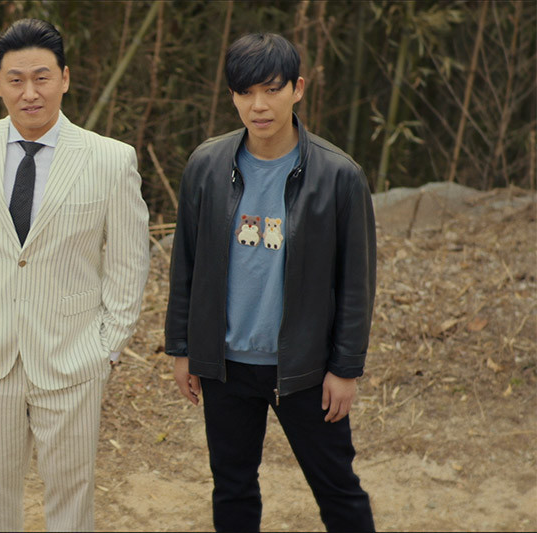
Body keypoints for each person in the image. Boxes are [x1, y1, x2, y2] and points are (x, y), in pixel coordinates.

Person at [0, 18, 150, 532]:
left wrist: (106, 347)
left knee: (72, 505)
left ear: (65, 78)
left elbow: (129, 262)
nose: (30, 93)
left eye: (42, 77)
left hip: (73, 359)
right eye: (16, 79)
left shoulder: (111, 160)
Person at [165, 32, 377, 532]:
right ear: (232, 95)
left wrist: (345, 368)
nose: (258, 105)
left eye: (272, 89)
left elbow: (356, 282)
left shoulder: (338, 175)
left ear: (297, 89)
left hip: (305, 367)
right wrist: (183, 349)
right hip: (226, 366)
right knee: (232, 487)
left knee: (338, 490)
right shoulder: (206, 166)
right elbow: (186, 263)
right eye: (245, 92)